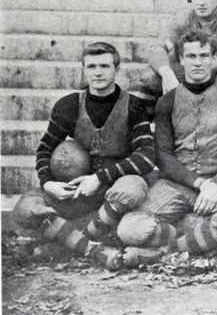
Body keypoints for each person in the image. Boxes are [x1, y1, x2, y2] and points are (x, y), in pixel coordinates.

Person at [13, 42, 154, 270]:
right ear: (84, 69)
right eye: (92, 66)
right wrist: (48, 183)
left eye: (104, 66)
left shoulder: (133, 105)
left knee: (132, 189)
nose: (98, 72)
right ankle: (91, 247)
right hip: (76, 191)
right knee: (24, 209)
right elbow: (45, 149)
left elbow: (147, 156)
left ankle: (69, 242)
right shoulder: (68, 105)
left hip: (112, 189)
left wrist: (100, 178)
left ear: (116, 69)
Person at [117, 29, 217, 265]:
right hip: (177, 182)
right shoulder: (167, 101)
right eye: (191, 56)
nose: (197, 62)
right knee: (129, 229)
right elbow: (164, 155)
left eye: (203, 55)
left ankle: (161, 252)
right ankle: (201, 238)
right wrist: (197, 183)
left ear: (213, 57)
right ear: (180, 59)